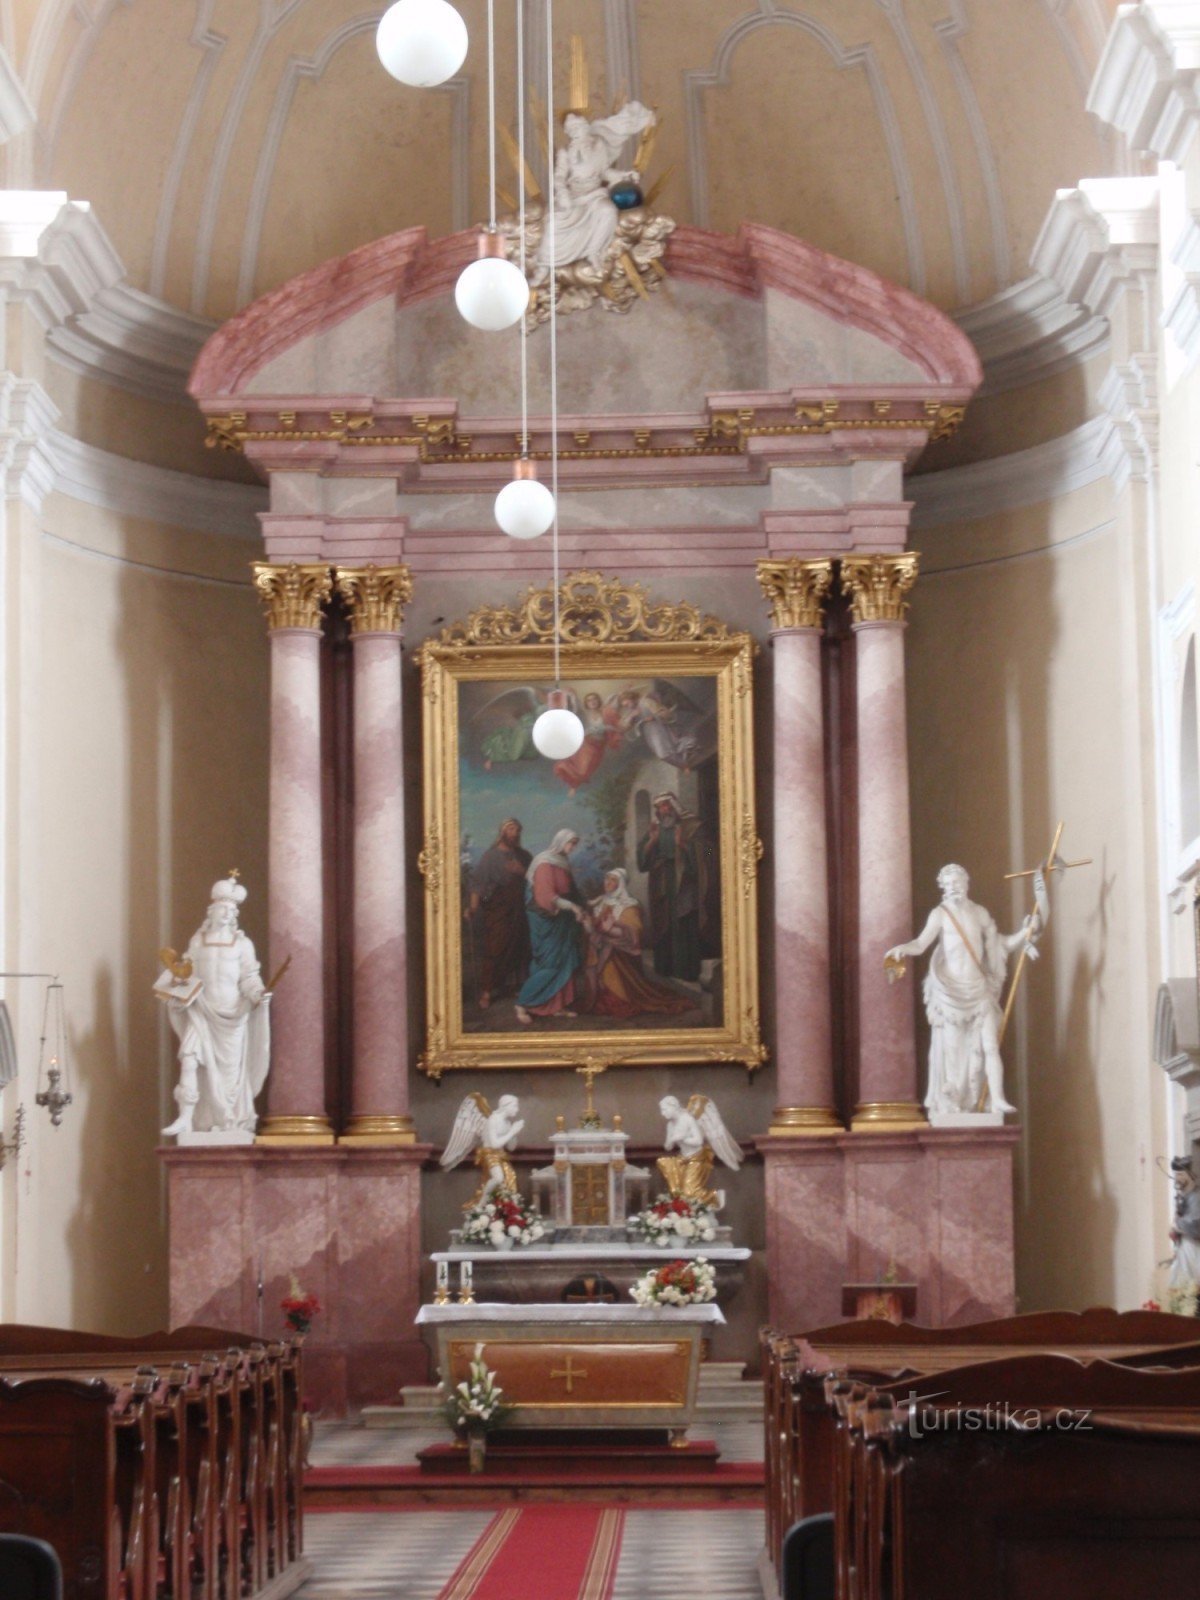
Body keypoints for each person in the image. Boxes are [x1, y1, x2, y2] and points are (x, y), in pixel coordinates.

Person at [885, 863, 1045, 1115]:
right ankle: (955, 1101)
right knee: (953, 1050)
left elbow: (999, 944)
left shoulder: (979, 913)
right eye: (948, 884)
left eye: (957, 882)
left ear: (966, 883)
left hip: (979, 990)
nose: (953, 888)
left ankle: (997, 1099)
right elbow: (921, 943)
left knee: (990, 1046)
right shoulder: (939, 914)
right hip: (950, 993)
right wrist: (903, 949)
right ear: (942, 887)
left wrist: (1026, 931)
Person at [158, 875, 271, 1138]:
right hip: (202, 1011)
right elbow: (187, 972)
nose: (227, 913)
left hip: (232, 1016)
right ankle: (186, 1119)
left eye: (232, 910)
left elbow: (249, 978)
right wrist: (176, 990)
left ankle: (228, 1118)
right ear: (212, 911)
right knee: (189, 1059)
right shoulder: (198, 942)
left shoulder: (243, 945)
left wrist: (257, 994)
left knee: (228, 1078)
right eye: (223, 908)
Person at [535, 102, 656, 273]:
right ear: (567, 132)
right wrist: (562, 193)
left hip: (594, 194)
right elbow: (560, 176)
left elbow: (605, 172)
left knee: (607, 212)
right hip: (573, 196)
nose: (575, 130)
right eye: (571, 128)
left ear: (585, 124)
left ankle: (594, 252)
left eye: (577, 125)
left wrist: (624, 176)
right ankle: (544, 267)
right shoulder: (565, 152)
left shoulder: (598, 145)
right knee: (553, 224)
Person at [583, 869, 692, 1018]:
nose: (607, 883)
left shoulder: (630, 905)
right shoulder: (601, 902)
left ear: (620, 884)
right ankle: (594, 994)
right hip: (601, 946)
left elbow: (633, 933)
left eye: (612, 880)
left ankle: (615, 996)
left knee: (611, 966)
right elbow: (594, 928)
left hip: (622, 951)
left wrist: (612, 929)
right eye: (606, 879)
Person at [515, 829, 589, 1023]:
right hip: (546, 919)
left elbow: (571, 891)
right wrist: (572, 907)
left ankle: (557, 1005)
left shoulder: (563, 863)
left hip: (562, 919)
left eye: (574, 844)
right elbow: (545, 897)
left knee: (565, 960)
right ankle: (522, 1003)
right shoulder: (545, 863)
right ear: (560, 841)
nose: (572, 847)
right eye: (570, 843)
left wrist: (582, 907)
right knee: (550, 964)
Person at [636, 793, 711, 981]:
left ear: (674, 807)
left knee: (684, 920)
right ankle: (665, 967)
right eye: (660, 807)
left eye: (667, 805)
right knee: (664, 922)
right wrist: (652, 841)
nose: (664, 810)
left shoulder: (690, 826)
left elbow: (707, 853)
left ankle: (686, 970)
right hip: (661, 882)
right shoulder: (655, 830)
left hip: (684, 881)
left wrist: (683, 844)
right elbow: (642, 863)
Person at [464, 818, 531, 1010]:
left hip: (520, 906)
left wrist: (522, 871)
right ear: (502, 832)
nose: (515, 833)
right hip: (499, 907)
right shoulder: (491, 856)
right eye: (511, 829)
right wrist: (474, 907)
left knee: (518, 945)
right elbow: (478, 883)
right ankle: (486, 991)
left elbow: (536, 878)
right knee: (496, 946)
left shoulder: (524, 856)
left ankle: (511, 985)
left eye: (518, 829)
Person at [553, 692, 621, 794]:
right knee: (582, 769)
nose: (592, 702)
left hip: (599, 747)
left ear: (598, 701)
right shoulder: (584, 715)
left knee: (589, 769)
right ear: (586, 703)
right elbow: (576, 706)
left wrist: (608, 728)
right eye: (589, 700)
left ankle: (575, 785)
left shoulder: (605, 713)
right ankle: (574, 786)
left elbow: (614, 719)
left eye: (594, 699)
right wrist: (572, 695)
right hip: (587, 745)